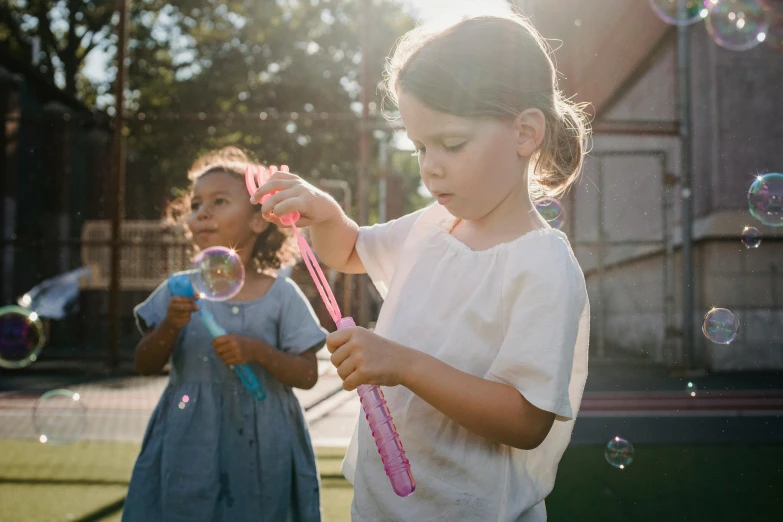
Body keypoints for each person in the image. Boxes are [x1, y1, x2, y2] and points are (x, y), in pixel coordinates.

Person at [251, 12, 591, 521]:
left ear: (524, 133)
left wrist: (404, 364)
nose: (430, 165)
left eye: (451, 144)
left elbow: (526, 419)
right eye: (420, 147)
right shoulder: (434, 226)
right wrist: (326, 211)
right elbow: (348, 251)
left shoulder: (540, 263)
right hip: (383, 507)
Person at [123, 147, 327, 522]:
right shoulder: (178, 290)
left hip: (264, 441)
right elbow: (144, 363)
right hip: (190, 438)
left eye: (219, 201)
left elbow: (308, 374)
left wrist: (258, 352)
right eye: (196, 203)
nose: (203, 212)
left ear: (258, 221)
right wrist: (170, 326)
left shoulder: (281, 294)